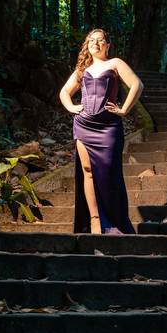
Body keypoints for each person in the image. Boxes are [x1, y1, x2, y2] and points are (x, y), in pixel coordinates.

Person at [59, 29, 144, 235]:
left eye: (100, 40)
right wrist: (71, 107)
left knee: (110, 174)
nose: (95, 43)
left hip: (108, 128)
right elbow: (64, 92)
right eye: (91, 40)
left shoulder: (115, 63)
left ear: (107, 45)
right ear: (87, 44)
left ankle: (116, 222)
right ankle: (95, 220)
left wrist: (123, 110)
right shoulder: (83, 69)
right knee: (87, 171)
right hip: (83, 124)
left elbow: (137, 85)